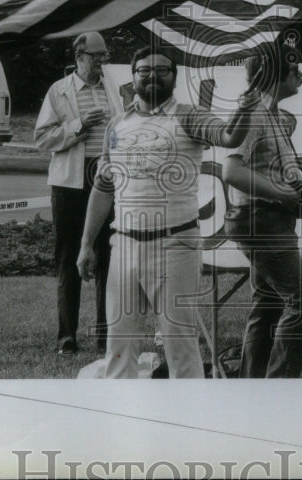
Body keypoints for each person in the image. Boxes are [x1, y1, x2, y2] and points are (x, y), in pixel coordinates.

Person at [78, 48, 258, 378]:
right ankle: (122, 423)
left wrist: (246, 106)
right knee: (118, 347)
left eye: (162, 71)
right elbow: (104, 188)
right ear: (133, 77)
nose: (152, 76)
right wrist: (87, 243)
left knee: (180, 346)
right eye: (144, 70)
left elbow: (231, 136)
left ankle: (188, 425)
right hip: (124, 247)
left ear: (174, 78)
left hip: (175, 245)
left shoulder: (189, 116)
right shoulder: (117, 125)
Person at [223, 42, 302, 378]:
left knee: (267, 307)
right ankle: (278, 389)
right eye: (294, 68)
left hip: (267, 219)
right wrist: (284, 194)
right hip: (261, 220)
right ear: (273, 74)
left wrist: (296, 193)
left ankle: (254, 391)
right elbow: (232, 172)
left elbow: (265, 168)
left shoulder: (272, 115)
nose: (301, 74)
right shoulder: (252, 114)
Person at [35, 32, 122, 355]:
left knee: (107, 257)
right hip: (70, 183)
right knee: (70, 256)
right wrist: (78, 125)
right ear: (79, 55)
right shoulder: (59, 91)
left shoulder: (113, 90)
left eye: (104, 55)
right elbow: (42, 139)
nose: (102, 61)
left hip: (107, 177)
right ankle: (67, 336)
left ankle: (104, 336)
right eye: (96, 55)